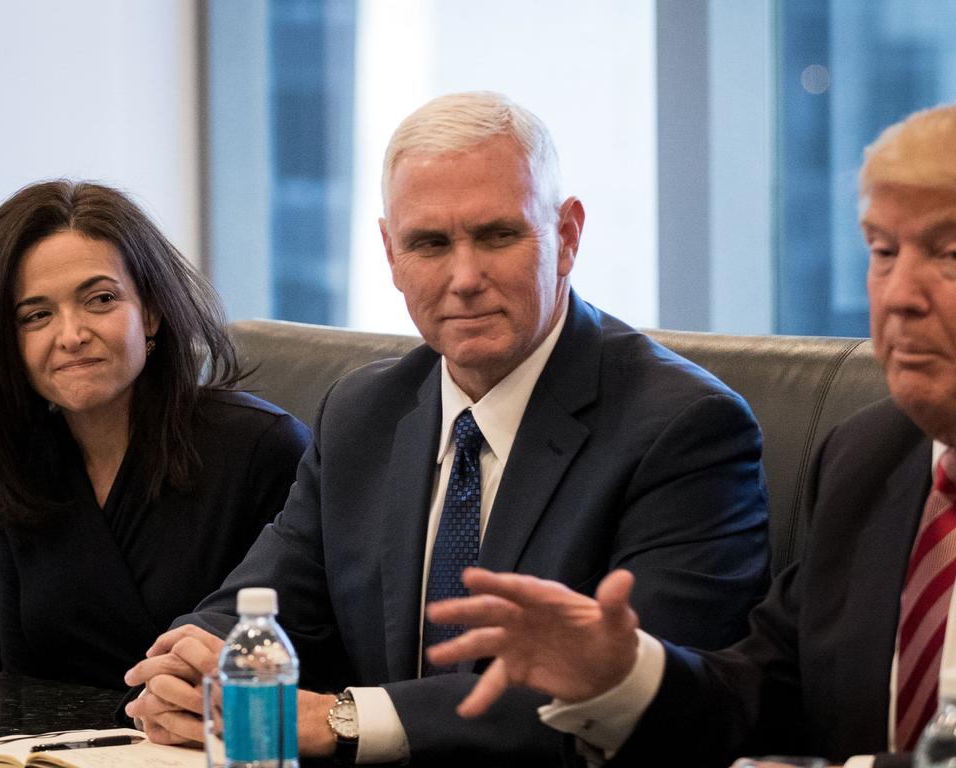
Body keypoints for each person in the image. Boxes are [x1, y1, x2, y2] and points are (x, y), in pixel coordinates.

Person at [124, 91, 770, 766]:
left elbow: (641, 704)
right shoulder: (363, 412)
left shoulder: (685, 429)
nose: (464, 278)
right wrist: (192, 667)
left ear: (568, 235)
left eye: (497, 235)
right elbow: (259, 607)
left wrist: (346, 721)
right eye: (429, 243)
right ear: (389, 251)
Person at [426, 98, 956, 768]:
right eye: (883, 251)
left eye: (953, 253)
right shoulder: (871, 458)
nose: (899, 293)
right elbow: (761, 701)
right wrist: (621, 675)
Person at [0, 180, 311, 690]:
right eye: (36, 315)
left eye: (100, 299)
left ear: (152, 313)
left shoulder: (261, 448)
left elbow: (300, 657)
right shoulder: (16, 461)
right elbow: (17, 682)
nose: (71, 334)